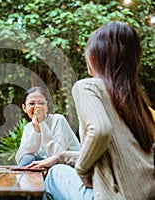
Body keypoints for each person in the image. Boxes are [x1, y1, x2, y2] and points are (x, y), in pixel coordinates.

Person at [28, 21, 155, 200]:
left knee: (54, 175)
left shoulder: (87, 87)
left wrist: (82, 169)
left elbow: (100, 130)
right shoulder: (136, 101)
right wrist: (61, 157)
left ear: (96, 55)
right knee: (57, 166)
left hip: (111, 196)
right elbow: (113, 153)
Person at [15, 86, 80, 166]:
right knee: (27, 158)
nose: (36, 107)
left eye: (41, 103)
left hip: (66, 164)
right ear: (24, 108)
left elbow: (57, 155)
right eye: (31, 103)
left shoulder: (58, 120)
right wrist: (36, 131)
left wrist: (42, 124)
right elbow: (20, 157)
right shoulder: (28, 127)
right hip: (43, 163)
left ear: (47, 107)